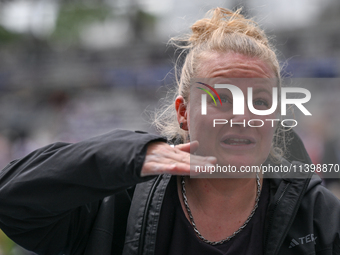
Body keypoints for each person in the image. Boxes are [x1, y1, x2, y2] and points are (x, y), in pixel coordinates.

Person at [0, 7, 340, 255]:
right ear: (183, 114)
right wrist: (129, 155)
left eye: (260, 101)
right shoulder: (117, 204)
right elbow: (11, 200)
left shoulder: (316, 216)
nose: (242, 116)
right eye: (221, 98)